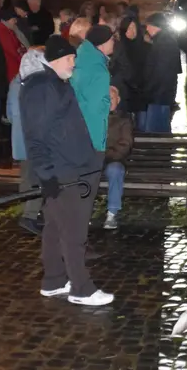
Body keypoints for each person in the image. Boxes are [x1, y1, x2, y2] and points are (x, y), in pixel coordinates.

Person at [20, 37, 113, 306]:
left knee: (53, 225)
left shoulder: (53, 82)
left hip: (66, 166)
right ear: (58, 58)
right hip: (61, 170)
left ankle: (54, 280)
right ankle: (81, 288)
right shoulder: (42, 87)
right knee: (73, 230)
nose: (74, 64)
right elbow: (36, 137)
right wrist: (47, 175)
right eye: (71, 59)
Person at [72, 24, 116, 195]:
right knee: (87, 185)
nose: (114, 42)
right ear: (102, 43)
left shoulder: (83, 59)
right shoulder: (98, 70)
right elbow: (97, 108)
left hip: (77, 132)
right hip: (92, 137)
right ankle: (80, 219)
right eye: (112, 39)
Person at [9, 44, 46, 237]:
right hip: (33, 140)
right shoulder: (35, 86)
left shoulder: (15, 83)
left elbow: (9, 113)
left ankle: (27, 212)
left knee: (27, 177)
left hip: (20, 140)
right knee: (37, 178)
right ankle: (30, 216)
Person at [139, 14, 182, 133]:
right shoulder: (164, 40)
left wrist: (147, 90)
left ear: (156, 26)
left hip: (159, 95)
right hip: (161, 93)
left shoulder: (164, 43)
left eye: (148, 26)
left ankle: (161, 151)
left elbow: (160, 72)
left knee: (156, 131)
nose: (147, 29)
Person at [102, 85, 134, 229]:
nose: (108, 101)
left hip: (114, 159)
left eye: (112, 98)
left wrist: (105, 155)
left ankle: (112, 213)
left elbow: (125, 144)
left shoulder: (124, 120)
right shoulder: (94, 117)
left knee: (115, 170)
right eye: (105, 98)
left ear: (118, 100)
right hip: (95, 160)